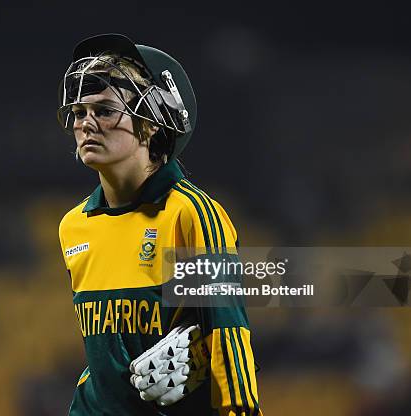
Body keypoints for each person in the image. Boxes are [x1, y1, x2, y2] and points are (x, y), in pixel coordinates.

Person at [57, 33, 262, 416]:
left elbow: (228, 332)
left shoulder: (191, 213)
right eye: (80, 112)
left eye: (104, 111)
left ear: (151, 125)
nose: (86, 123)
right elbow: (105, 358)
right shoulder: (73, 226)